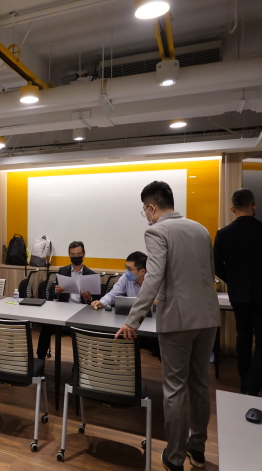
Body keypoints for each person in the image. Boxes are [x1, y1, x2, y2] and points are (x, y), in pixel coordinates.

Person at [116, 181, 220, 471]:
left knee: (174, 388)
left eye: (144, 210)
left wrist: (132, 320)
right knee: (199, 384)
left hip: (177, 319)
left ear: (151, 207)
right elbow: (209, 273)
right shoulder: (200, 229)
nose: (146, 216)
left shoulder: (157, 231)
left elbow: (153, 277)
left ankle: (174, 458)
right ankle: (197, 450)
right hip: (208, 317)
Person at [214, 188, 262, 396]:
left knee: (243, 336)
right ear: (254, 206)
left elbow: (217, 266)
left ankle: (244, 380)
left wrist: (233, 281)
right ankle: (254, 383)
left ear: (232, 209)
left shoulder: (223, 234)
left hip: (238, 294)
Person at [36, 241, 100, 360]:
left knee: (85, 332)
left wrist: (89, 300)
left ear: (84, 254)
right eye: (73, 254)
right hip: (63, 311)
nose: (75, 257)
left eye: (78, 254)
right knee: (46, 326)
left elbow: (96, 302)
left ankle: (79, 364)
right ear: (69, 254)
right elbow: (52, 295)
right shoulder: (62, 271)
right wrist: (57, 292)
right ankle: (40, 360)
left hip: (82, 314)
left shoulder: (91, 274)